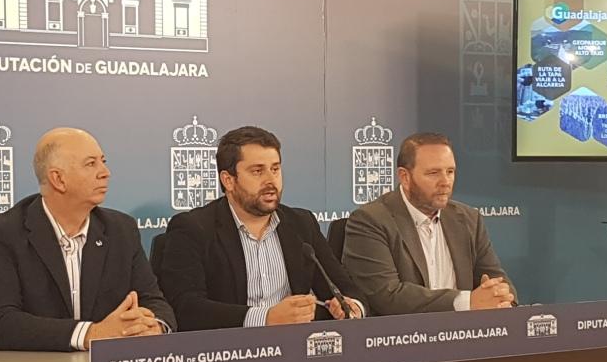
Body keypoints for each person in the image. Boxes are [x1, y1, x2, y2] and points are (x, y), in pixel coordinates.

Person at [0, 127, 175, 351]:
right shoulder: (2, 234)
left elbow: (153, 301)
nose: (105, 172)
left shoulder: (121, 230)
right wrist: (89, 334)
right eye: (91, 164)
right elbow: (0, 322)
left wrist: (153, 326)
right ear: (58, 179)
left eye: (103, 161)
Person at [158, 126, 365, 331]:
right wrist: (266, 318)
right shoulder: (193, 228)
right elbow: (186, 308)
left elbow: (344, 288)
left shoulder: (301, 224)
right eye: (257, 171)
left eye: (275, 169)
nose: (270, 180)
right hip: (227, 347)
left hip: (294, 345)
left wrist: (352, 306)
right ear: (228, 180)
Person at [342, 132, 516, 316]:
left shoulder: (468, 219)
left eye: (450, 172)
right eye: (434, 173)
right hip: (402, 332)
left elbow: (497, 280)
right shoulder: (371, 221)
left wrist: (501, 297)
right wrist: (467, 302)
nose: (445, 182)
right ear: (405, 177)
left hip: (465, 331)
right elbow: (387, 296)